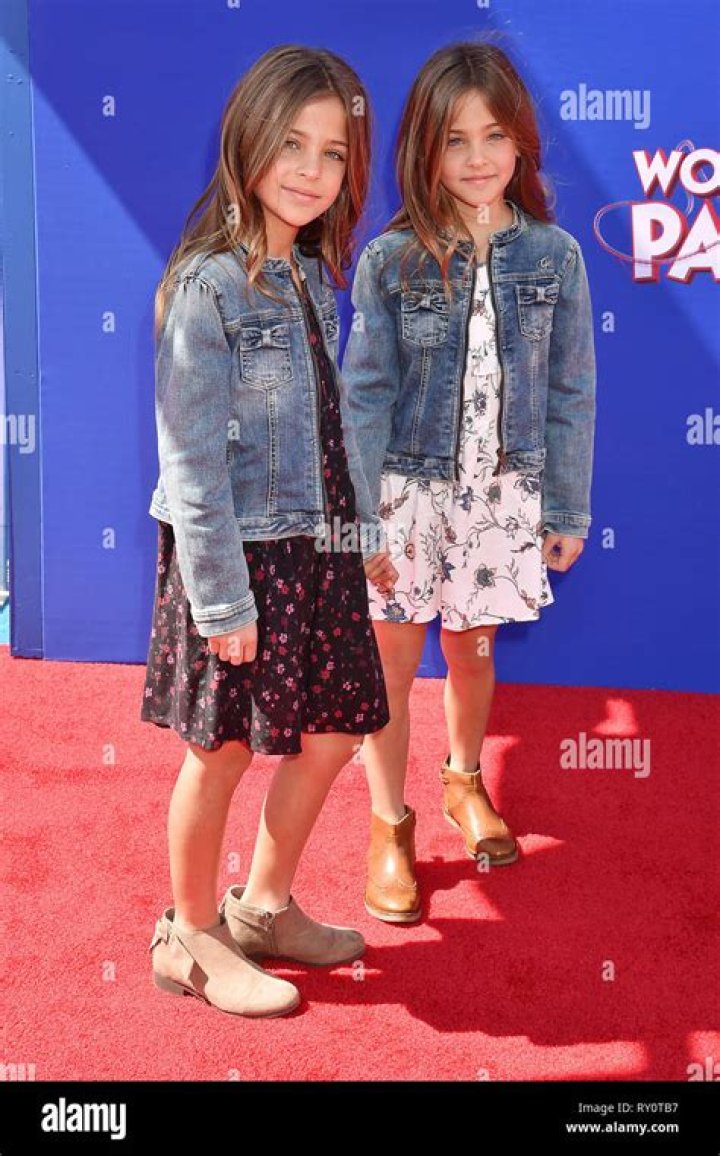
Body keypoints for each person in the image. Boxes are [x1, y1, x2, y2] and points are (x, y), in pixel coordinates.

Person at [140, 44, 397, 1016]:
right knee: (223, 751)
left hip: (320, 549)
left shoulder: (312, 274)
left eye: (333, 153)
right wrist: (220, 600)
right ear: (248, 140)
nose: (311, 170)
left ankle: (263, 908)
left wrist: (362, 531)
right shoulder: (207, 287)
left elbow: (331, 424)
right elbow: (190, 463)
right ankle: (190, 936)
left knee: (333, 732)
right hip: (241, 559)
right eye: (292, 143)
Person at [341, 40, 597, 923]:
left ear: (522, 142)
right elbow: (363, 396)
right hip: (405, 494)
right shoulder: (392, 260)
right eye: (456, 139)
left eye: (495, 136)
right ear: (425, 148)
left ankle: (463, 780)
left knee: (473, 648)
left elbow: (571, 389)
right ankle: (388, 824)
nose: (478, 158)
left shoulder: (556, 256)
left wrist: (565, 508)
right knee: (391, 658)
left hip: (502, 494)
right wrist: (360, 519)